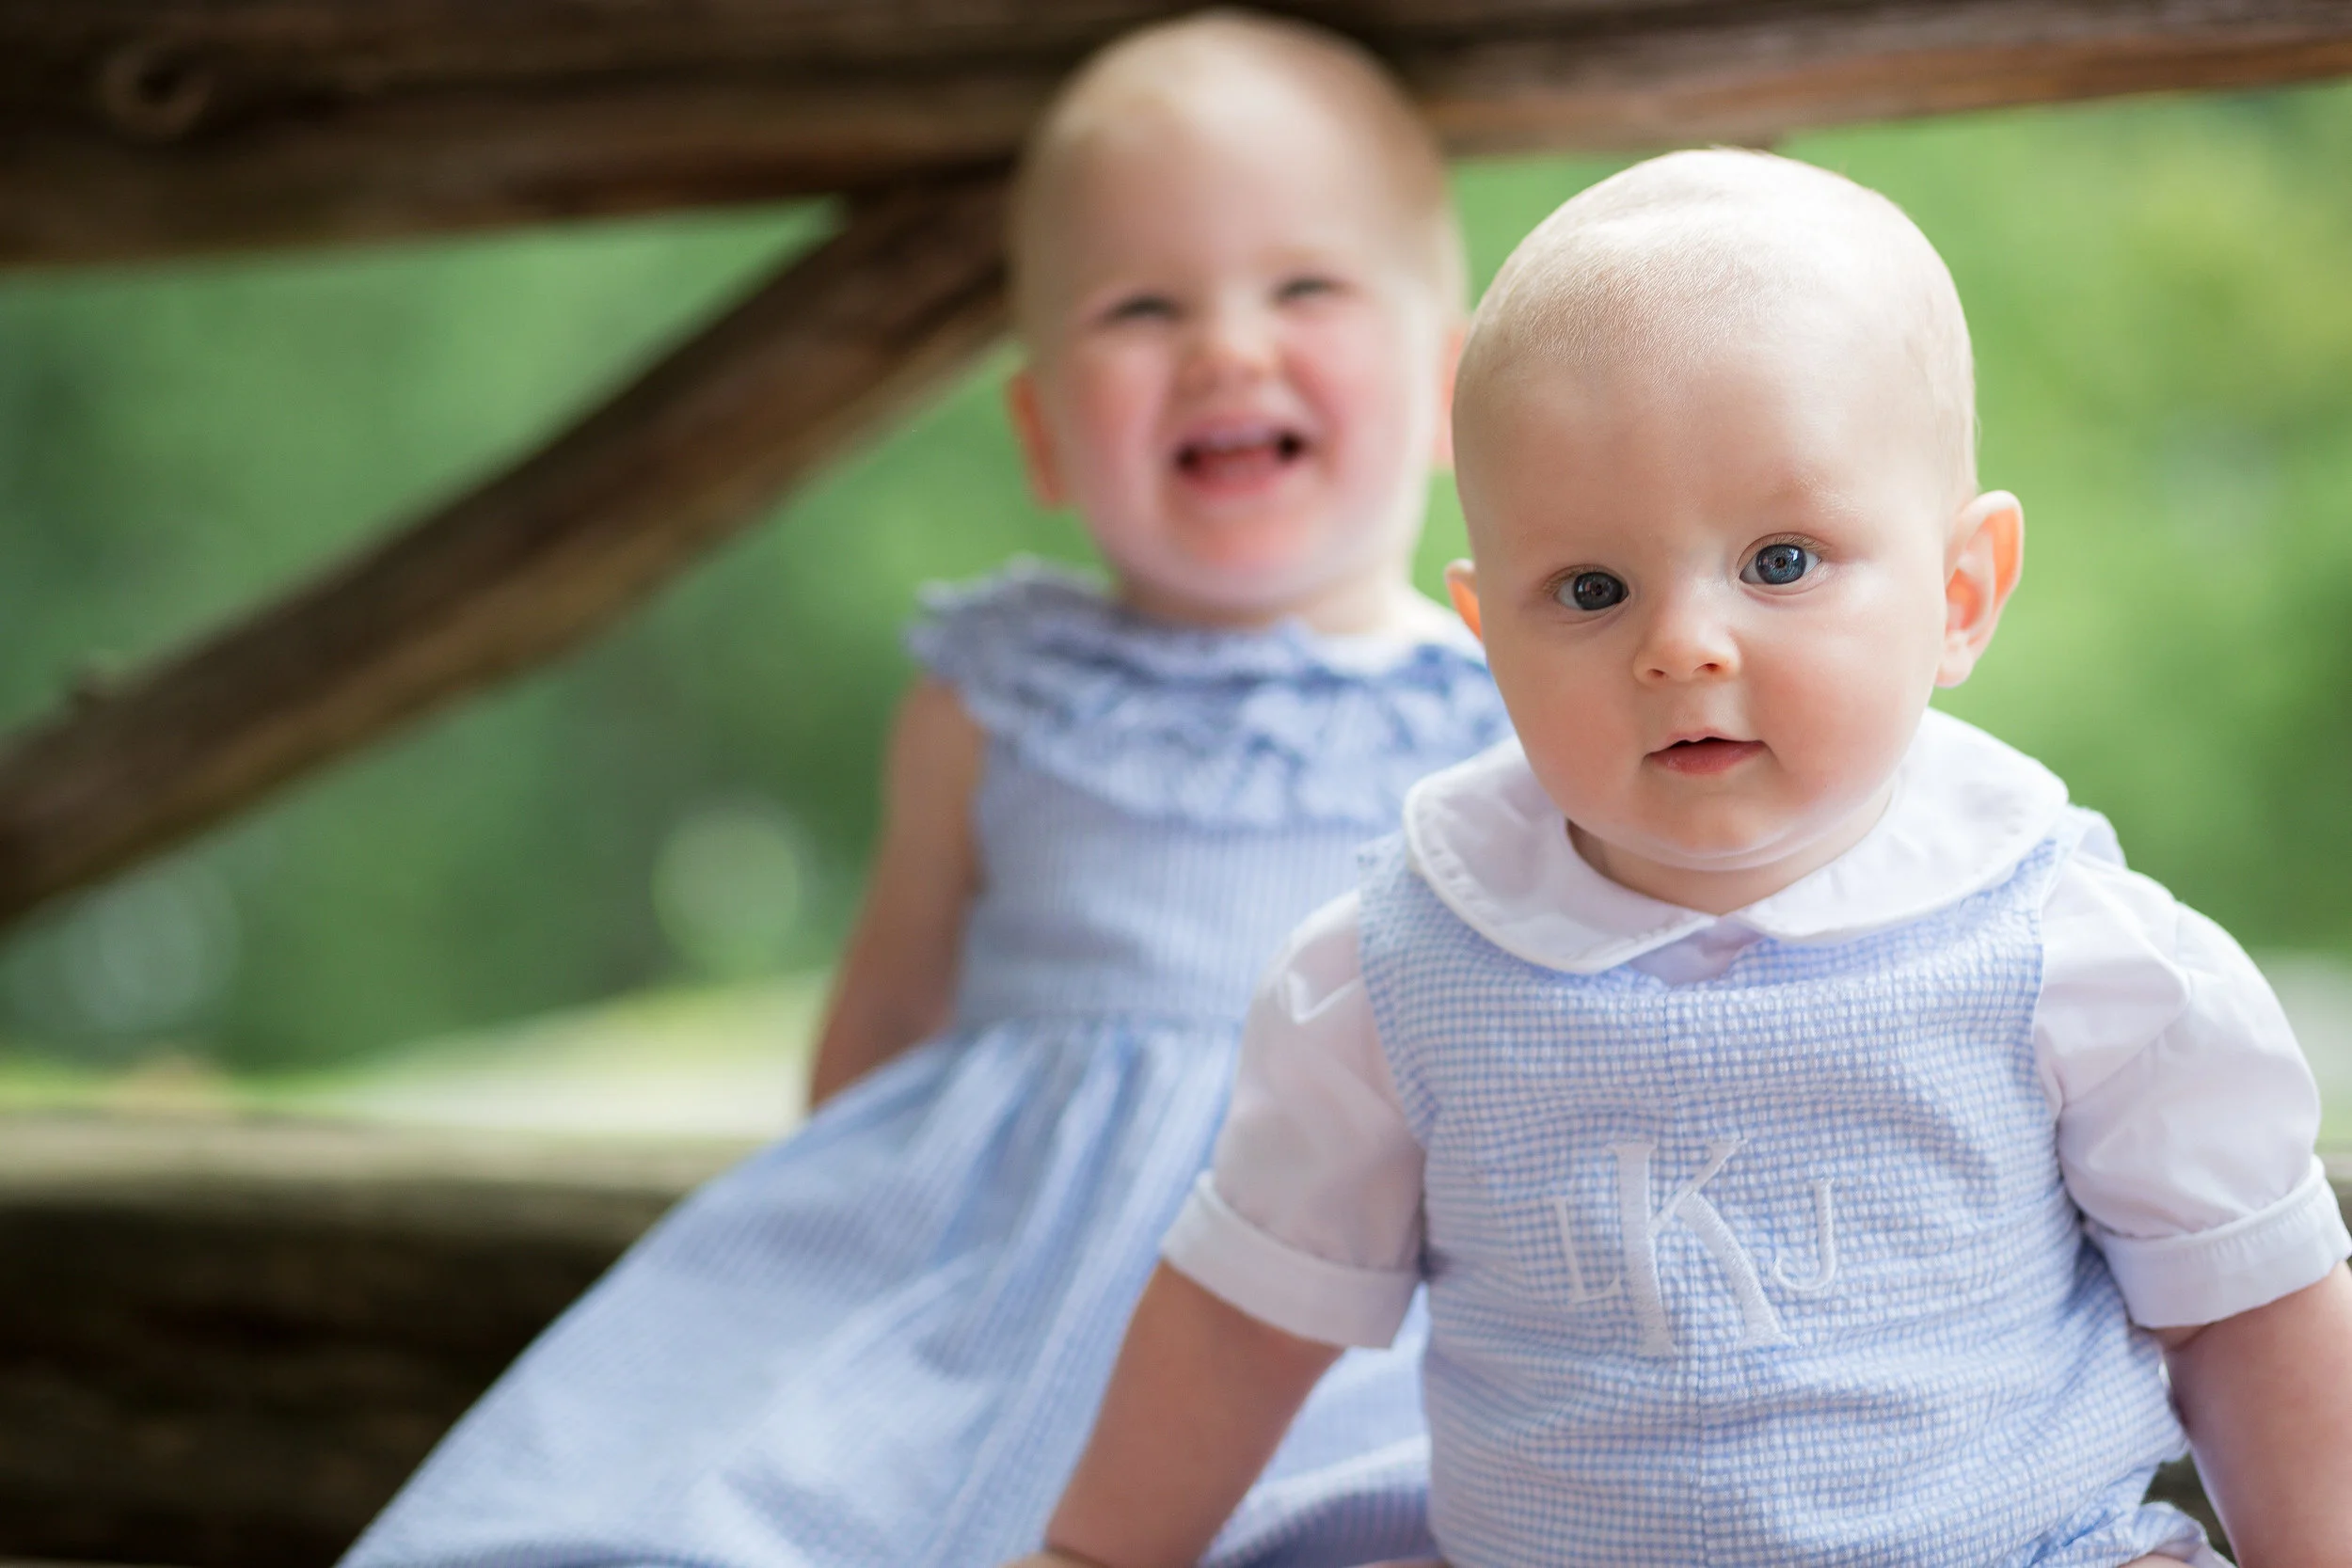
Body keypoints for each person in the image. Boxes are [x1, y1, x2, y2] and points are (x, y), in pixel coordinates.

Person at [1009, 150, 2352, 1568]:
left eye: (1781, 562)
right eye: (1590, 589)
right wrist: (1098, 1550)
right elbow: (1249, 1305)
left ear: (1960, 594)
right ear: (1486, 632)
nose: (1682, 643)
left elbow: (2245, 1299)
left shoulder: (2069, 952)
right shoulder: (1400, 968)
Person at [339, 13, 1510, 1568]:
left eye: (1304, 285)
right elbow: (883, 1032)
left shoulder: (1507, 717)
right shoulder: (992, 699)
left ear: (1450, 386)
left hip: (1327, 1316)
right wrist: (807, 1304)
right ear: (1040, 428)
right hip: (985, 1293)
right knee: (725, 1506)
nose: (1229, 345)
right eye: (1141, 305)